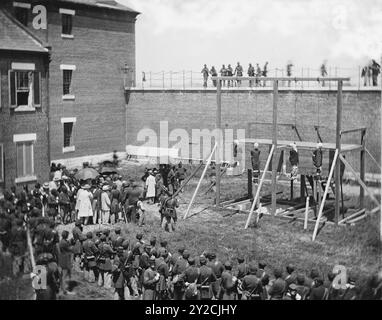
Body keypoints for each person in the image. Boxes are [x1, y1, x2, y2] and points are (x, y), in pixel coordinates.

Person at [57, 230, 73, 295]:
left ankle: (61, 288)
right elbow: (70, 249)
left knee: (61, 275)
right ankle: (65, 290)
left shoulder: (61, 241)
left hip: (61, 259)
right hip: (65, 260)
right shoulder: (64, 243)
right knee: (65, 276)